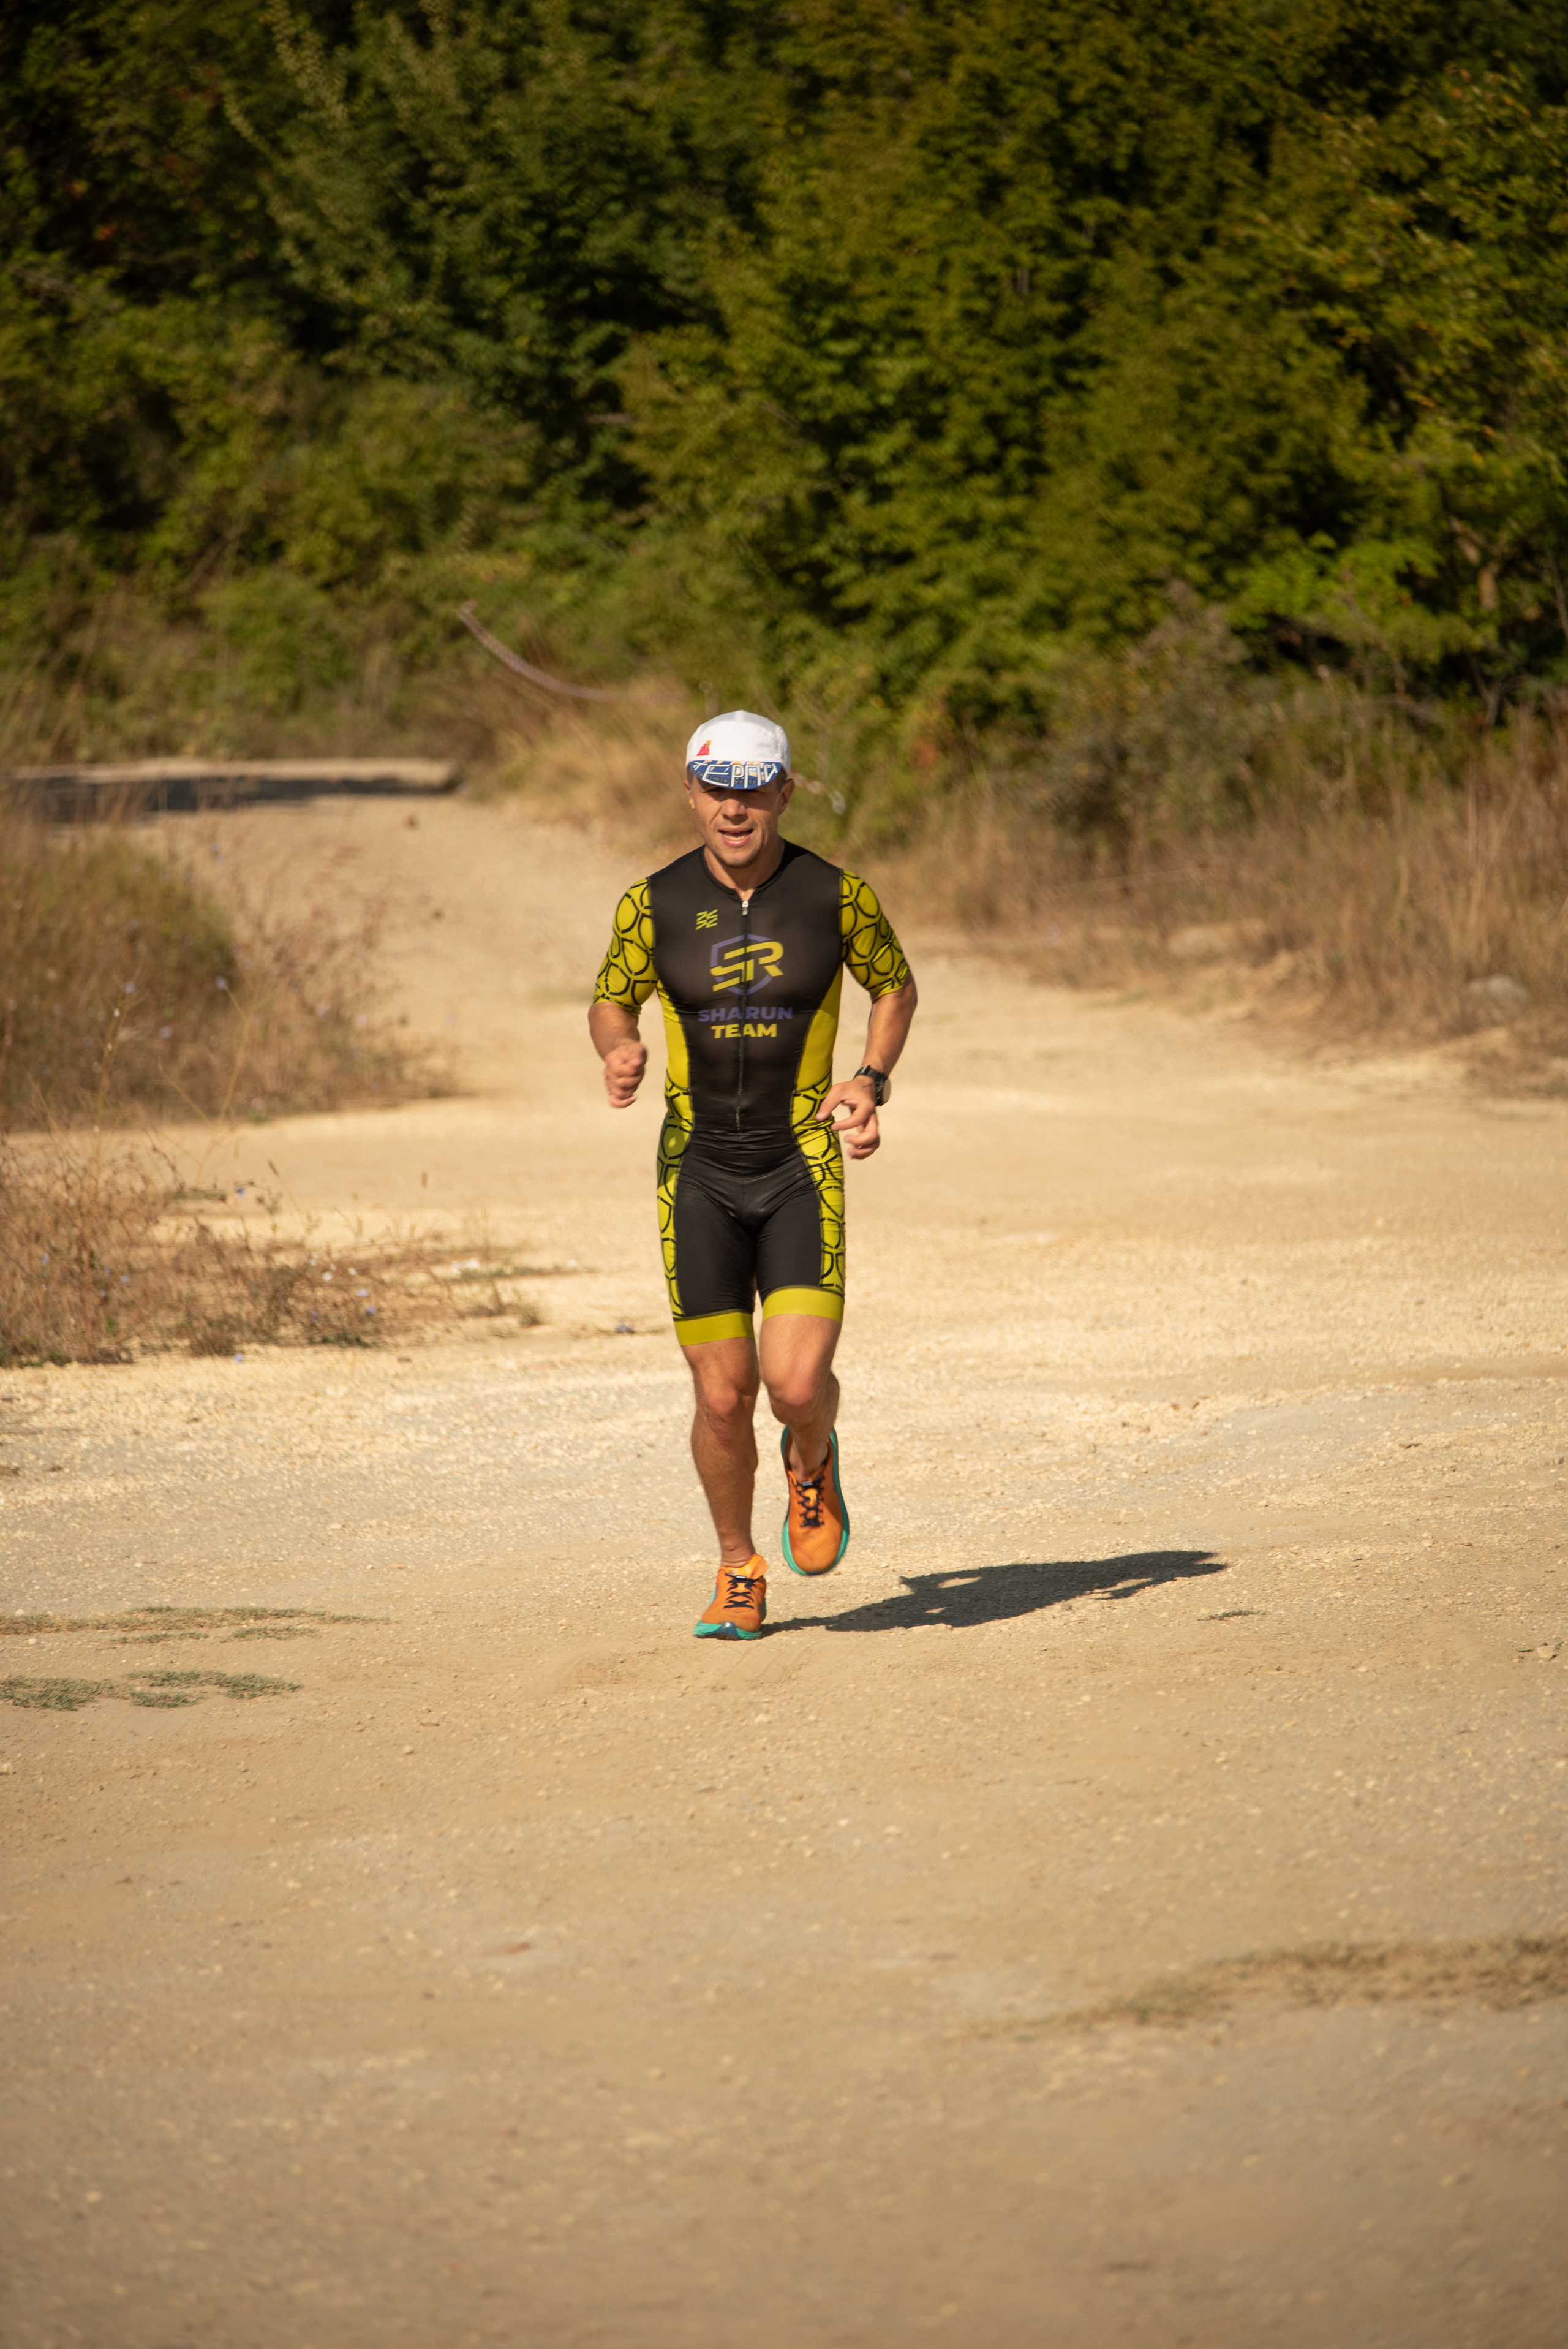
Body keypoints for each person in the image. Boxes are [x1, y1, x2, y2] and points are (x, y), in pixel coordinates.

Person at [589, 711, 918, 1640]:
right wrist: (619, 1050)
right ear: (691, 792)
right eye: (716, 788)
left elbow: (894, 982)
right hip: (696, 1169)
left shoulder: (836, 896)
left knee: (797, 1386)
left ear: (783, 792)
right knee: (722, 1395)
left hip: (797, 1162)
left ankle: (811, 1462)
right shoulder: (649, 903)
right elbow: (612, 1000)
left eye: (754, 788)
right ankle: (739, 1566)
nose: (735, 808)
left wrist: (870, 1077)